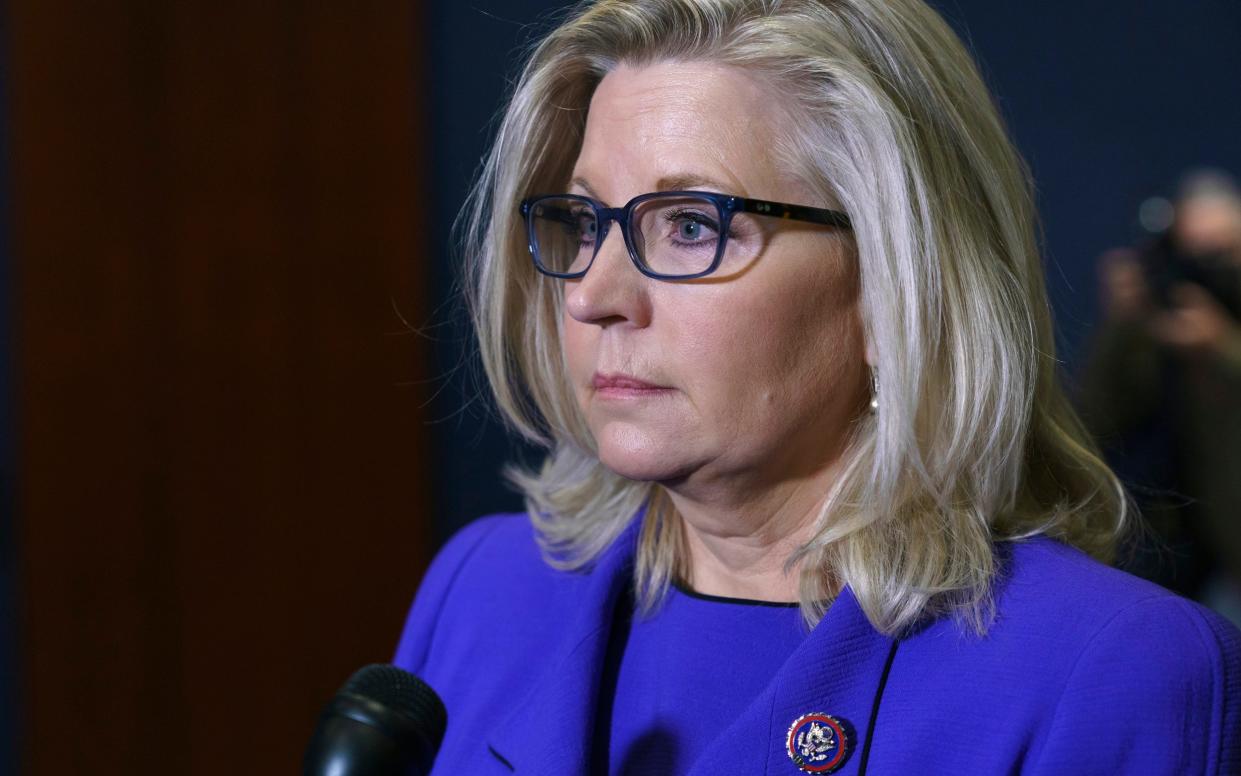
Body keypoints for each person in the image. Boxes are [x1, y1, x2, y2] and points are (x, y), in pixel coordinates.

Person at [396, 1, 1241, 773]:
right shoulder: (482, 589)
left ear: (894, 283)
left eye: (690, 226)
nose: (592, 295)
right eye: (584, 223)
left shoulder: (1113, 671)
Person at [1081, 170, 1241, 624]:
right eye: (1193, 255)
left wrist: (1223, 350)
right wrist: (1122, 324)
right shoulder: (1152, 329)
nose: (1206, 271)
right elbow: (1093, 421)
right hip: (1165, 553)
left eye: (1221, 255)